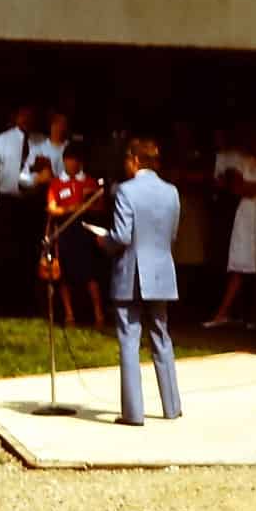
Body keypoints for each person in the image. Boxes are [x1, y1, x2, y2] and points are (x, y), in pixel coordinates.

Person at [97, 138, 182, 425]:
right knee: (161, 336)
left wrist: (103, 241)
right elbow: (172, 235)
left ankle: (133, 412)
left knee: (129, 340)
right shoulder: (172, 192)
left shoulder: (126, 191)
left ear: (134, 160)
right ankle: (172, 406)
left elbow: (121, 236)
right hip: (160, 271)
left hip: (131, 273)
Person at [0, 105, 50, 315]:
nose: (27, 119)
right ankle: (2, 304)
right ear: (16, 117)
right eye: (23, 115)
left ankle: (27, 306)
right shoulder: (0, 141)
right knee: (5, 253)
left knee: (29, 254)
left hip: (32, 206)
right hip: (7, 204)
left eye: (30, 115)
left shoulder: (42, 142)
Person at [203, 128, 256, 328]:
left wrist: (250, 187)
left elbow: (245, 186)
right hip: (247, 215)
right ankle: (222, 313)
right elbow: (237, 187)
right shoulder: (243, 161)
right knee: (240, 265)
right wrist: (250, 187)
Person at [46, 142, 106, 328]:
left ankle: (99, 315)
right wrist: (71, 208)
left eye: (74, 161)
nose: (71, 164)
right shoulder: (56, 183)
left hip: (84, 232)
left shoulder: (90, 182)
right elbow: (51, 208)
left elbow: (100, 207)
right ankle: (69, 314)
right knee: (65, 276)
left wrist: (89, 205)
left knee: (90, 275)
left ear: (80, 162)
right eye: (68, 160)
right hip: (65, 232)